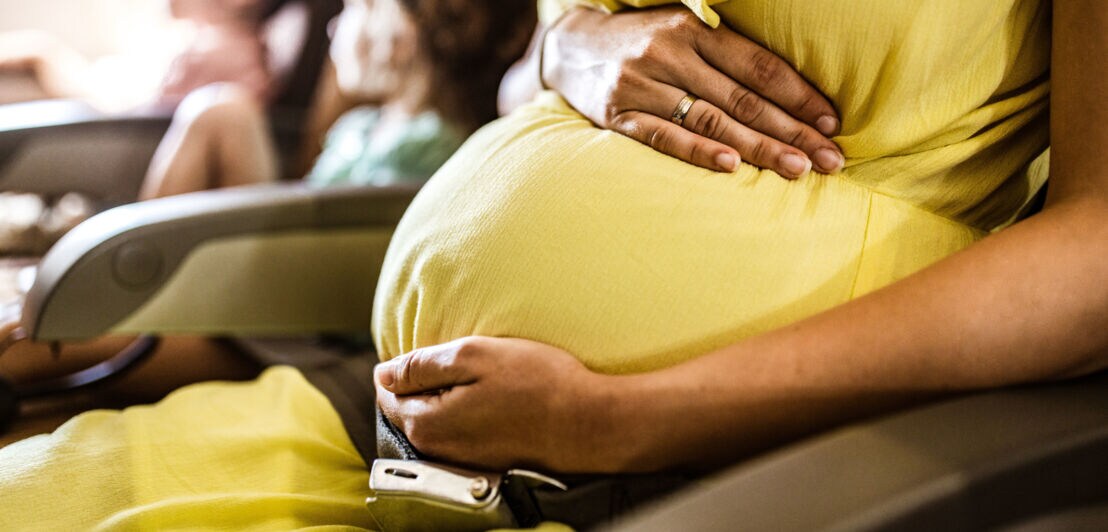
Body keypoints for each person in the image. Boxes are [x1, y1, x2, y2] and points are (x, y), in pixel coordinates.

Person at [2, 0, 1106, 528]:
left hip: (680, 477)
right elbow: (514, 73)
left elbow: (1094, 262)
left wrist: (618, 418)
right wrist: (575, 46)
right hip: (388, 433)